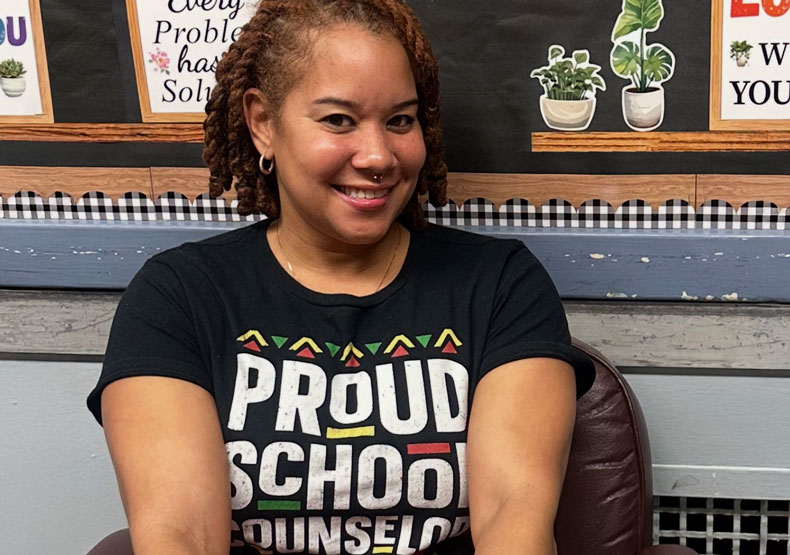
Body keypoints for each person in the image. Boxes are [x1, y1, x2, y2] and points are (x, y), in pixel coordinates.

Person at [87, 1, 595, 554]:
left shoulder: (501, 284)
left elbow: (513, 523)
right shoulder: (179, 296)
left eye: (400, 120)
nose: (378, 155)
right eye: (338, 120)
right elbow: (180, 535)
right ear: (262, 123)